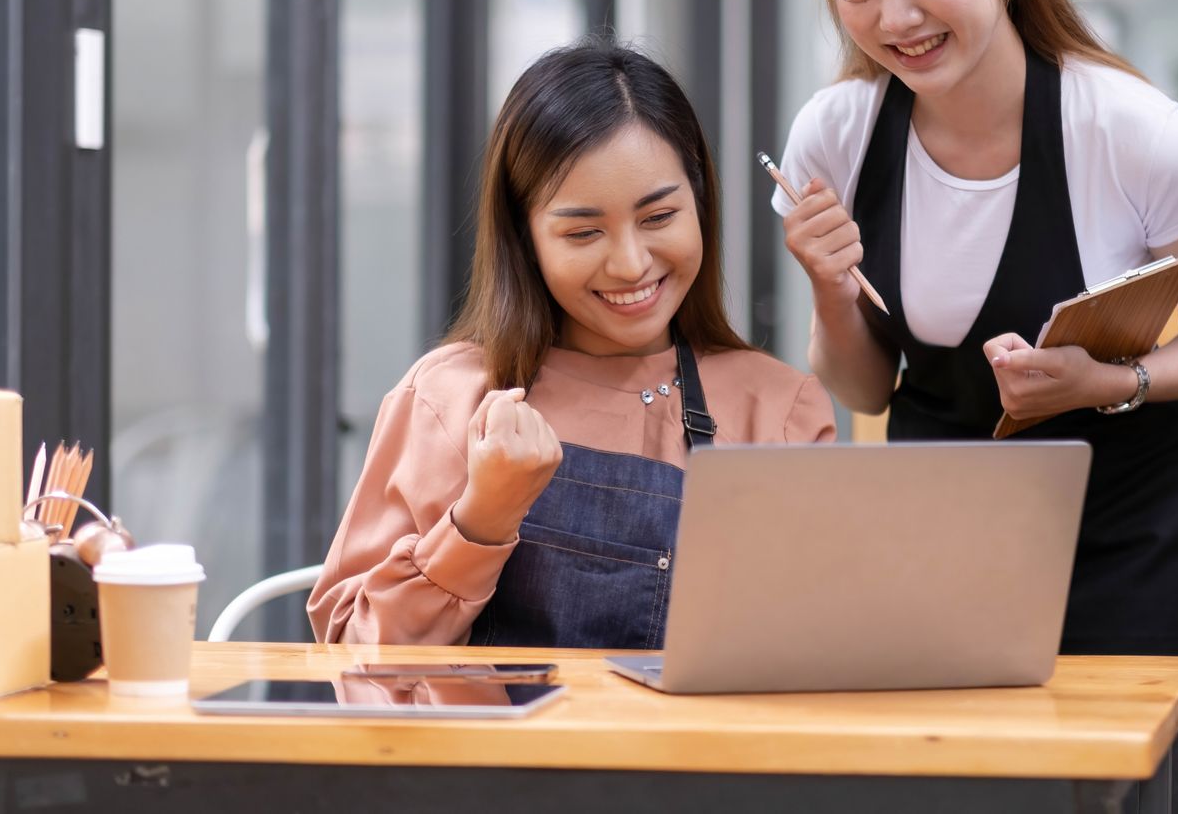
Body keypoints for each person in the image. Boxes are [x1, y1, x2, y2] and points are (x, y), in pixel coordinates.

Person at [775, 0, 1178, 812]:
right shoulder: (837, 137)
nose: (894, 19)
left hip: (1128, 540)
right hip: (940, 540)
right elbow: (867, 389)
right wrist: (829, 288)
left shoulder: (1132, 132)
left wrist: (1112, 380)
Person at [311, 35, 836, 650]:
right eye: (584, 232)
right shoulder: (446, 399)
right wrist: (480, 521)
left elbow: (815, 656)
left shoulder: (777, 409)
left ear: (700, 202)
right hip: (495, 750)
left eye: (659, 217)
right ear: (525, 237)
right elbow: (349, 654)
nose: (630, 263)